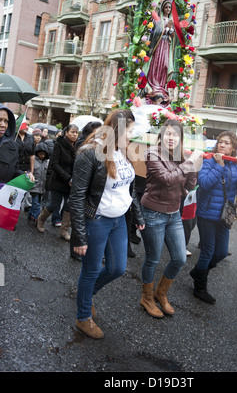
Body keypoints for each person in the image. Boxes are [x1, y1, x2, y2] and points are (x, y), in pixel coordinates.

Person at [69, 109, 145, 339]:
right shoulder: (91, 153)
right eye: (129, 131)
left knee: (117, 268)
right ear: (117, 130)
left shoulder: (124, 151)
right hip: (96, 220)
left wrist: (138, 216)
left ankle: (85, 295)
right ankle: (83, 317)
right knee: (90, 270)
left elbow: (129, 189)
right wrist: (80, 236)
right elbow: (77, 196)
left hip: (119, 220)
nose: (132, 136)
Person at [140, 119, 203, 318]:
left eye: (175, 135)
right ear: (161, 135)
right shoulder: (152, 154)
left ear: (180, 138)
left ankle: (161, 293)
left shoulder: (180, 157)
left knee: (179, 258)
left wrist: (193, 167)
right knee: (153, 259)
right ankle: (147, 297)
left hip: (174, 213)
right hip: (153, 213)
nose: (171, 138)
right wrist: (187, 164)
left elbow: (189, 186)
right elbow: (167, 180)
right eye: (167, 134)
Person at [190, 131, 237, 304]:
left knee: (221, 252)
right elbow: (203, 183)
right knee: (208, 251)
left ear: (233, 147)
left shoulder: (236, 164)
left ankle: (198, 271)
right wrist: (218, 165)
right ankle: (199, 287)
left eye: (227, 143)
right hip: (207, 213)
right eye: (220, 142)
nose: (222, 145)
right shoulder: (209, 160)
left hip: (224, 215)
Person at [37, 124, 79, 240]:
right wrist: (67, 178)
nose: (75, 135)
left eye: (76, 132)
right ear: (66, 133)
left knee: (69, 206)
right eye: (73, 132)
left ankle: (64, 230)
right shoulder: (59, 145)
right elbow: (54, 164)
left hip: (72, 183)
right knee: (53, 204)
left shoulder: (77, 146)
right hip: (59, 181)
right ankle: (41, 220)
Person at [143, 0, 176, 102]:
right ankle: (154, 85)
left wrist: (170, 31)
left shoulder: (171, 20)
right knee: (156, 64)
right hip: (158, 45)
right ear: (162, 8)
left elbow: (173, 36)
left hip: (166, 45)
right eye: (166, 7)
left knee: (165, 65)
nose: (168, 9)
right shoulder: (158, 20)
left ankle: (161, 86)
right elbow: (156, 32)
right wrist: (165, 29)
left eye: (169, 8)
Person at [0, 104, 33, 186]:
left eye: (6, 121)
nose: (3, 125)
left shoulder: (13, 146)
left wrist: (25, 175)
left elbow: (14, 170)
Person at [27, 143, 49, 225]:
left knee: (37, 202)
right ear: (37, 153)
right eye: (40, 154)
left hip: (42, 187)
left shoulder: (47, 162)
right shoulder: (33, 161)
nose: (42, 156)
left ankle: (30, 214)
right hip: (34, 186)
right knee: (36, 204)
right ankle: (36, 218)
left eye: (44, 154)